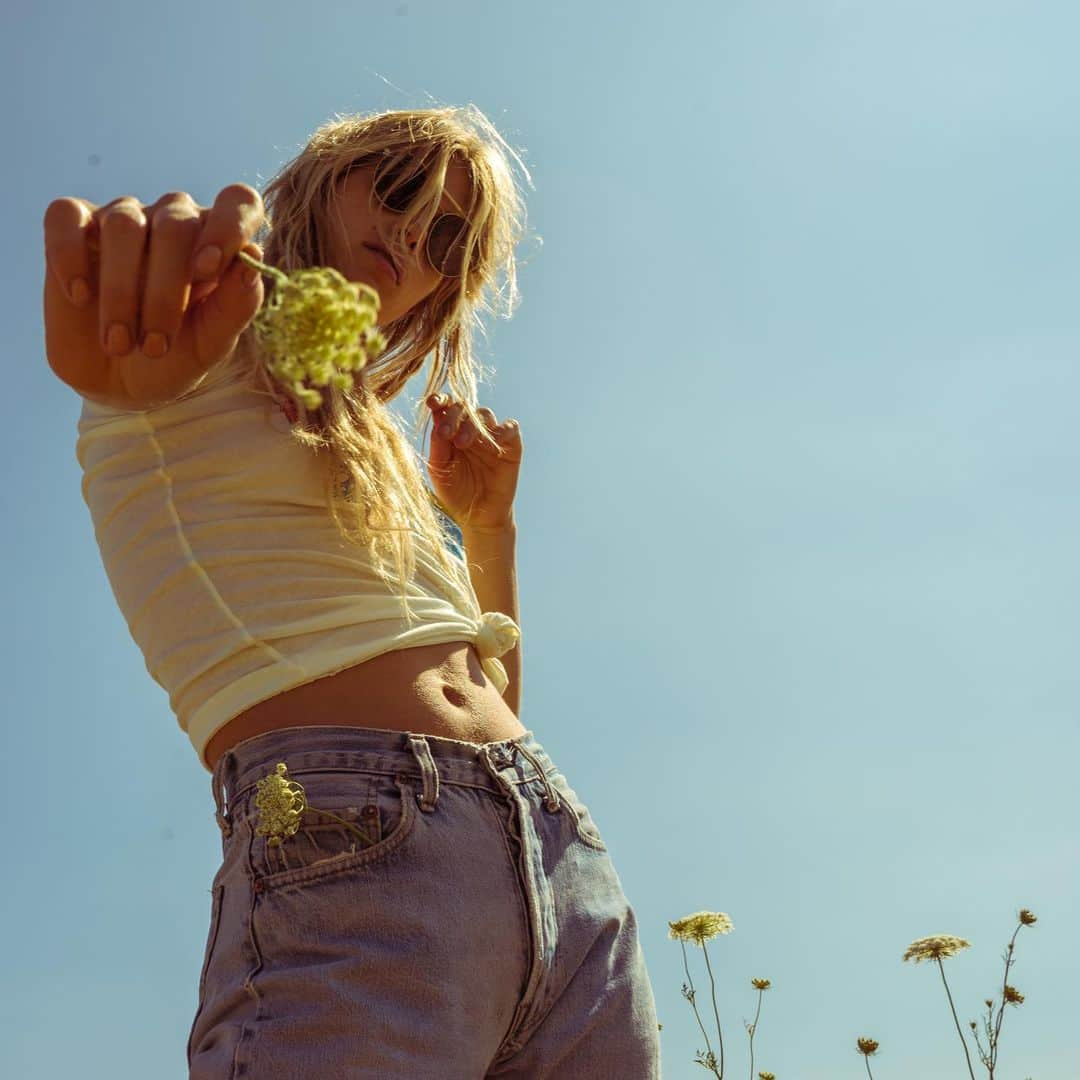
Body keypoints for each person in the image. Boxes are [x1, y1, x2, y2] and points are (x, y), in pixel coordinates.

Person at [44, 105, 662, 1077]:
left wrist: (488, 529)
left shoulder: (383, 454)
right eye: (400, 187)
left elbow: (493, 707)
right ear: (323, 178)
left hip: (561, 870)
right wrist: (125, 304)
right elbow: (124, 356)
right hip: (357, 844)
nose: (415, 233)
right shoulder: (200, 349)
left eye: (448, 234)